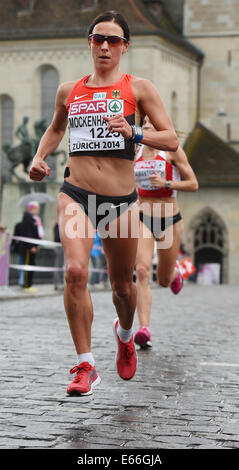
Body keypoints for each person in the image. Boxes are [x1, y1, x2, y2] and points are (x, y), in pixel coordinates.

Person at [29, 10, 179, 396]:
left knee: (122, 290)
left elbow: (172, 140)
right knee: (76, 272)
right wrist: (39, 156)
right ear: (90, 43)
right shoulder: (69, 89)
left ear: (125, 47)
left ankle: (125, 335)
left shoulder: (139, 88)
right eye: (99, 39)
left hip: (121, 203)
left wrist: (135, 131)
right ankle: (85, 365)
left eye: (113, 40)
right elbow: (56, 127)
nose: (105, 46)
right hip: (75, 193)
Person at [134, 116, 198, 349]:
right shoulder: (135, 153)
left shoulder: (172, 151)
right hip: (143, 218)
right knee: (141, 270)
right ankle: (144, 329)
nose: (148, 127)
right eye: (144, 124)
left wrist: (166, 184)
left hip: (170, 220)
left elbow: (193, 183)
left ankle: (174, 274)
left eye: (152, 125)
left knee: (162, 280)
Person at [17, 201, 44, 293]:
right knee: (27, 265)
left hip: (33, 246)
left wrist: (36, 244)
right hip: (28, 247)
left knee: (31, 265)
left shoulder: (33, 218)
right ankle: (26, 285)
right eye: (37, 209)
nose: (38, 211)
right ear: (32, 208)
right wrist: (31, 245)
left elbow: (35, 233)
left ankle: (29, 284)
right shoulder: (28, 217)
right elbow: (28, 233)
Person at [53, 222, 65, 291]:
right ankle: (58, 283)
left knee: (61, 265)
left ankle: (61, 283)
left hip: (63, 247)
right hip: (59, 247)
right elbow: (57, 237)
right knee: (58, 265)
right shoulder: (58, 225)